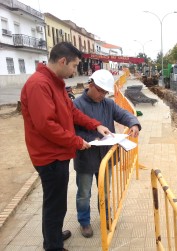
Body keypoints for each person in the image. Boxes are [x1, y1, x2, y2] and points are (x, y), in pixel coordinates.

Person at [20, 42, 112, 251]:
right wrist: (77, 141)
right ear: (62, 61)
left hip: (58, 154)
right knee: (55, 203)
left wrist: (95, 125)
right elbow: (46, 125)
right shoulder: (39, 85)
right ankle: (53, 246)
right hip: (49, 156)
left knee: (57, 202)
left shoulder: (56, 83)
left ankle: (53, 234)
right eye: (74, 66)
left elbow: (72, 112)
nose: (75, 71)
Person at [73, 69, 141, 238]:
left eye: (105, 91)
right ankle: (84, 222)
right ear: (91, 85)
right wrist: (90, 138)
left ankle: (105, 216)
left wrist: (134, 123)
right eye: (100, 91)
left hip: (106, 157)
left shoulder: (107, 104)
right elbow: (72, 131)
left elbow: (123, 114)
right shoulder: (76, 105)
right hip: (86, 158)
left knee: (105, 190)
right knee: (84, 193)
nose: (103, 95)